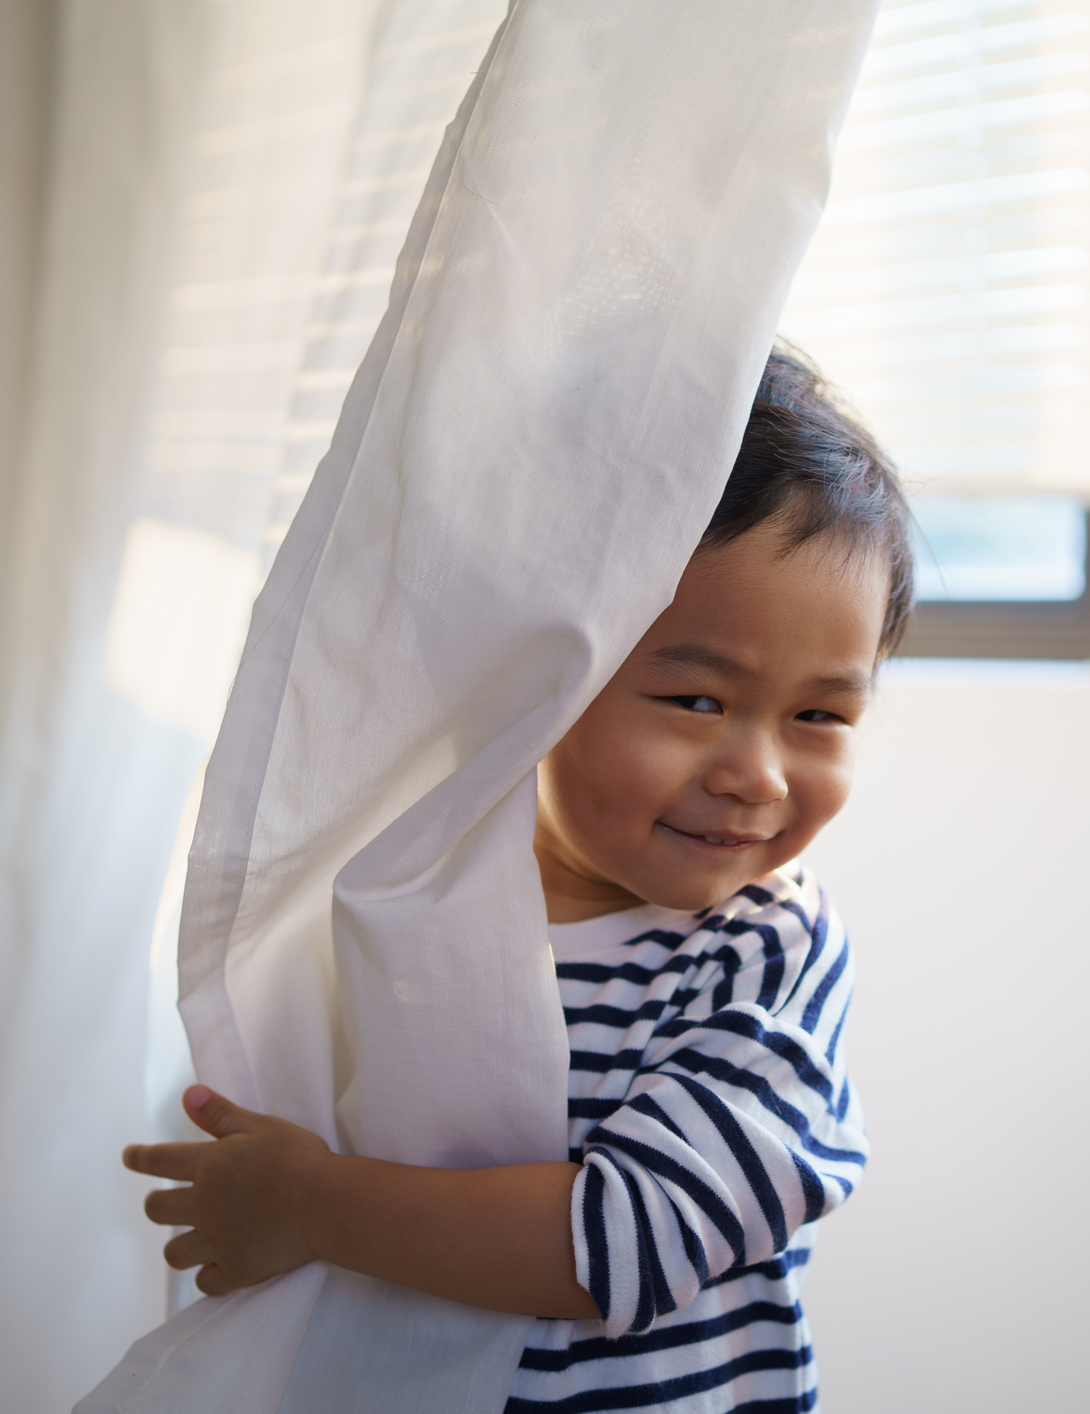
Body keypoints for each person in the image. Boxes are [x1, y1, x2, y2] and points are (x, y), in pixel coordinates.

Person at [122, 345, 913, 1411]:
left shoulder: (763, 951)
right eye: (694, 700)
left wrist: (311, 1205)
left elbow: (629, 1239)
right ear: (535, 675)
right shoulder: (407, 897)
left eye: (820, 715)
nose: (757, 776)